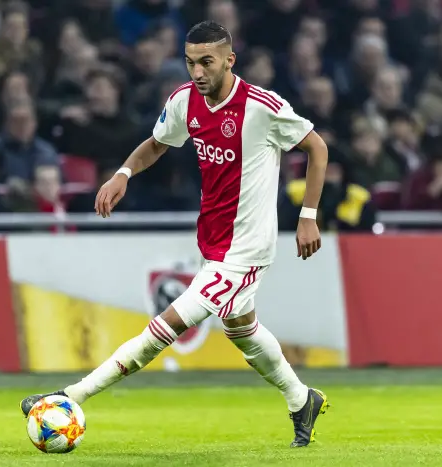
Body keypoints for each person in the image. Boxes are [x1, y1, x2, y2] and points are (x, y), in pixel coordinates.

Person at [20, 20, 330, 448]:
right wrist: (123, 173)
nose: (197, 72)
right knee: (242, 329)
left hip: (247, 250)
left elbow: (317, 147)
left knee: (162, 330)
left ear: (229, 60)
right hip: (213, 242)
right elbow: (157, 142)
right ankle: (301, 399)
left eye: (207, 62)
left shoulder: (262, 106)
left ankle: (67, 396)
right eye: (190, 63)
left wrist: (308, 215)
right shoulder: (185, 101)